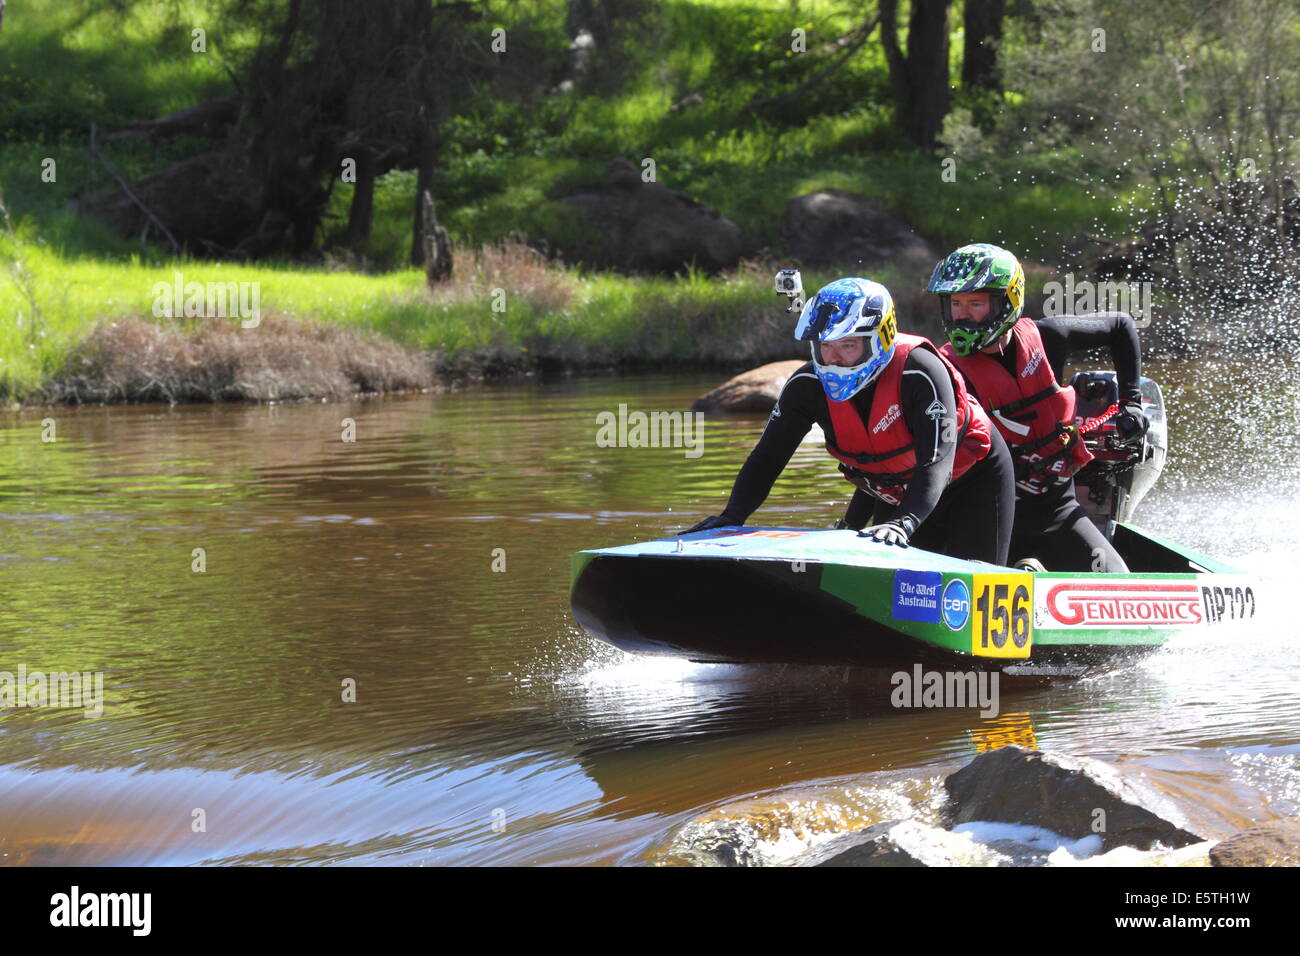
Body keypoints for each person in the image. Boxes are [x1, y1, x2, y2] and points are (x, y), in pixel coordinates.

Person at [683, 276, 1015, 565]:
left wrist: (904, 523)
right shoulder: (806, 385)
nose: (834, 358)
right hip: (896, 492)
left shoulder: (921, 371)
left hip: (972, 479)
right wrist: (732, 516)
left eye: (848, 345)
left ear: (879, 339)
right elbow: (768, 458)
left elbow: (937, 460)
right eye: (825, 346)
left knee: (971, 572)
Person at [926, 242, 1149, 572]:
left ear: (1007, 301)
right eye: (955, 303)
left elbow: (1121, 326)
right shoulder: (940, 371)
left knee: (1120, 582)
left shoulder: (1049, 337)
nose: (962, 313)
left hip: (1056, 510)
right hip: (984, 519)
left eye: (975, 302)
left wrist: (1131, 404)